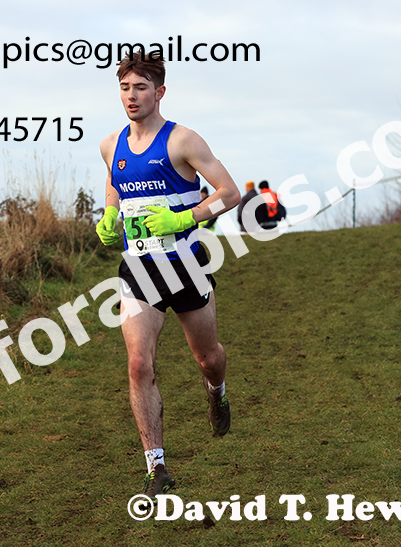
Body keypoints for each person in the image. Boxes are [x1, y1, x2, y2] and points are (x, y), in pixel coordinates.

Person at [95, 52, 241, 501]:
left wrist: (184, 218)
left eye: (140, 88)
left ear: (159, 92)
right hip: (139, 269)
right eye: (125, 88)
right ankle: (156, 467)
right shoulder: (109, 144)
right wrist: (109, 216)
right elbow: (116, 185)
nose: (131, 96)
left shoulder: (183, 141)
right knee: (139, 363)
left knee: (207, 358)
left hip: (186, 266)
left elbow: (230, 193)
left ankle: (216, 393)